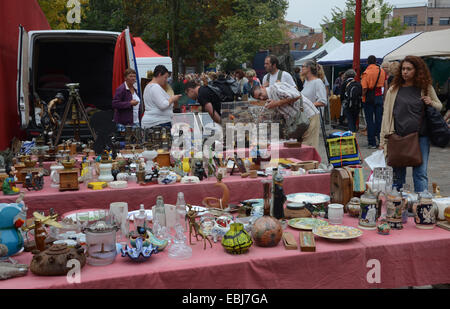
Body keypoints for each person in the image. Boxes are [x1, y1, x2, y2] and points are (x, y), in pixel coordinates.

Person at [379, 55, 442, 193]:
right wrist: (383, 140)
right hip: (398, 137)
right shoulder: (393, 89)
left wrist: (430, 102)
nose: (405, 72)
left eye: (409, 69)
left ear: (417, 70)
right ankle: (397, 206)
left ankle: (422, 207)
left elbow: (439, 106)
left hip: (420, 138)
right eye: (403, 69)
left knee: (420, 174)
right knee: (398, 176)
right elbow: (387, 115)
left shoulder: (425, 88)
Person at [250, 83, 320, 149]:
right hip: (298, 122)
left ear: (262, 87)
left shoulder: (276, 88)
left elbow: (296, 95)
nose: (261, 98)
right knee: (299, 149)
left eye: (260, 94)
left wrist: (277, 103)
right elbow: (263, 115)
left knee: (308, 148)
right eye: (259, 98)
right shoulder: (269, 100)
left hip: (308, 116)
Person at [141, 65, 181, 129]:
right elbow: (163, 105)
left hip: (155, 122)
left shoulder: (148, 86)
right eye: (165, 77)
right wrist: (172, 99)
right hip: (158, 123)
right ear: (159, 74)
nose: (166, 80)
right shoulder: (155, 87)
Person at [361, 55, 386, 149]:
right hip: (379, 96)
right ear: (376, 61)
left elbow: (364, 88)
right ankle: (381, 140)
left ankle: (372, 142)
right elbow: (385, 84)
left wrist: (362, 96)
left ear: (367, 62)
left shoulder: (366, 73)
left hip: (369, 98)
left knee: (370, 120)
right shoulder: (382, 71)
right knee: (379, 119)